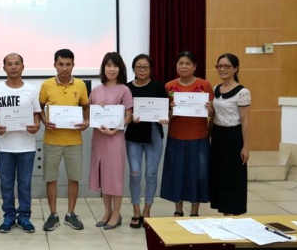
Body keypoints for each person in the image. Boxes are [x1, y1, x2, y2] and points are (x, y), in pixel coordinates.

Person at [0, 53, 42, 233]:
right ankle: (9, 217)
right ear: (4, 68)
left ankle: (24, 217)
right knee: (6, 184)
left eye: (17, 64)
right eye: (9, 64)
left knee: (25, 184)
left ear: (22, 67)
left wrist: (36, 126)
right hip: (5, 146)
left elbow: (36, 114)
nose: (13, 67)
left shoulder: (31, 90)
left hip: (27, 146)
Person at [39, 49, 89, 231]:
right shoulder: (47, 85)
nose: (65, 68)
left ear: (73, 65)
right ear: (55, 65)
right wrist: (45, 121)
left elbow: (86, 106)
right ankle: (53, 214)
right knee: (51, 178)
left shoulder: (81, 85)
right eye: (61, 64)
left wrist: (86, 121)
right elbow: (39, 107)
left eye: (68, 64)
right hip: (52, 140)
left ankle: (70, 214)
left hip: (74, 141)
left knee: (73, 178)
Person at [160, 51, 214, 217]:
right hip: (176, 137)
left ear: (195, 66)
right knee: (177, 173)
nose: (184, 66)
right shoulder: (169, 86)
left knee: (198, 174)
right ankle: (178, 209)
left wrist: (210, 110)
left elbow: (212, 113)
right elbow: (166, 116)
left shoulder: (204, 85)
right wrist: (169, 112)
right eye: (180, 63)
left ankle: (195, 211)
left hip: (199, 138)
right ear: (176, 66)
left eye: (188, 63)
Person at [89, 52, 133, 230]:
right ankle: (107, 212)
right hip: (99, 138)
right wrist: (96, 110)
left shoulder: (124, 90)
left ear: (120, 69)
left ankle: (116, 213)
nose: (112, 69)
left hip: (115, 138)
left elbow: (129, 115)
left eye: (115, 66)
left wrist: (115, 129)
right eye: (108, 65)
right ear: (103, 68)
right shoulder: (96, 90)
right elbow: (90, 113)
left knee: (114, 177)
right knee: (103, 175)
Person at [125, 54, 169, 228]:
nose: (142, 70)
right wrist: (130, 118)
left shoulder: (158, 87)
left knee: (151, 174)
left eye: (145, 67)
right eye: (139, 66)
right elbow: (124, 112)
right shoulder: (127, 88)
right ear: (134, 69)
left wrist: (165, 118)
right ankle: (136, 211)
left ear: (150, 69)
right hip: (133, 135)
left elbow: (166, 111)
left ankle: (147, 211)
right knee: (135, 173)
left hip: (153, 133)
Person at [209, 53, 251, 215]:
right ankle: (224, 212)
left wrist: (246, 146)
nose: (222, 69)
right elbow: (214, 115)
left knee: (232, 175)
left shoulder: (242, 92)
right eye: (219, 66)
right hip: (217, 135)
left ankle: (234, 212)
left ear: (235, 68)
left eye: (226, 66)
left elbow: (245, 120)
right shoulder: (216, 89)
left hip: (233, 137)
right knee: (219, 174)